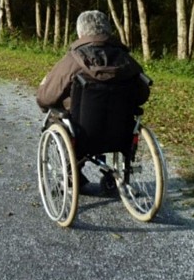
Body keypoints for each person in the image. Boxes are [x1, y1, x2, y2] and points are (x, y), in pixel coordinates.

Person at [36, 10, 150, 187]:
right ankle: (112, 175)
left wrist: (43, 102)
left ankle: (72, 172)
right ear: (108, 30)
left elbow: (47, 97)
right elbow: (142, 95)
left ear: (80, 33)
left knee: (56, 118)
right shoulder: (125, 59)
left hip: (83, 133)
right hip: (120, 131)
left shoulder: (73, 60)